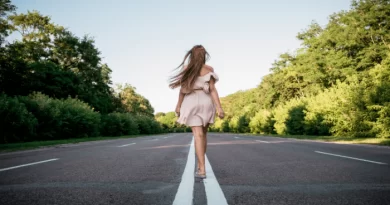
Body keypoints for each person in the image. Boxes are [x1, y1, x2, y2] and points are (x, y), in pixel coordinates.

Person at [169, 45, 225, 179]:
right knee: (204, 135)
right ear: (204, 55)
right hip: (206, 102)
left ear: (191, 55)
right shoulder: (209, 69)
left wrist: (178, 105)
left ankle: (202, 169)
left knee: (198, 135)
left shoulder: (187, 69)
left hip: (191, 101)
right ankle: (201, 166)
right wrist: (219, 108)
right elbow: (212, 90)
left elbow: (183, 89)